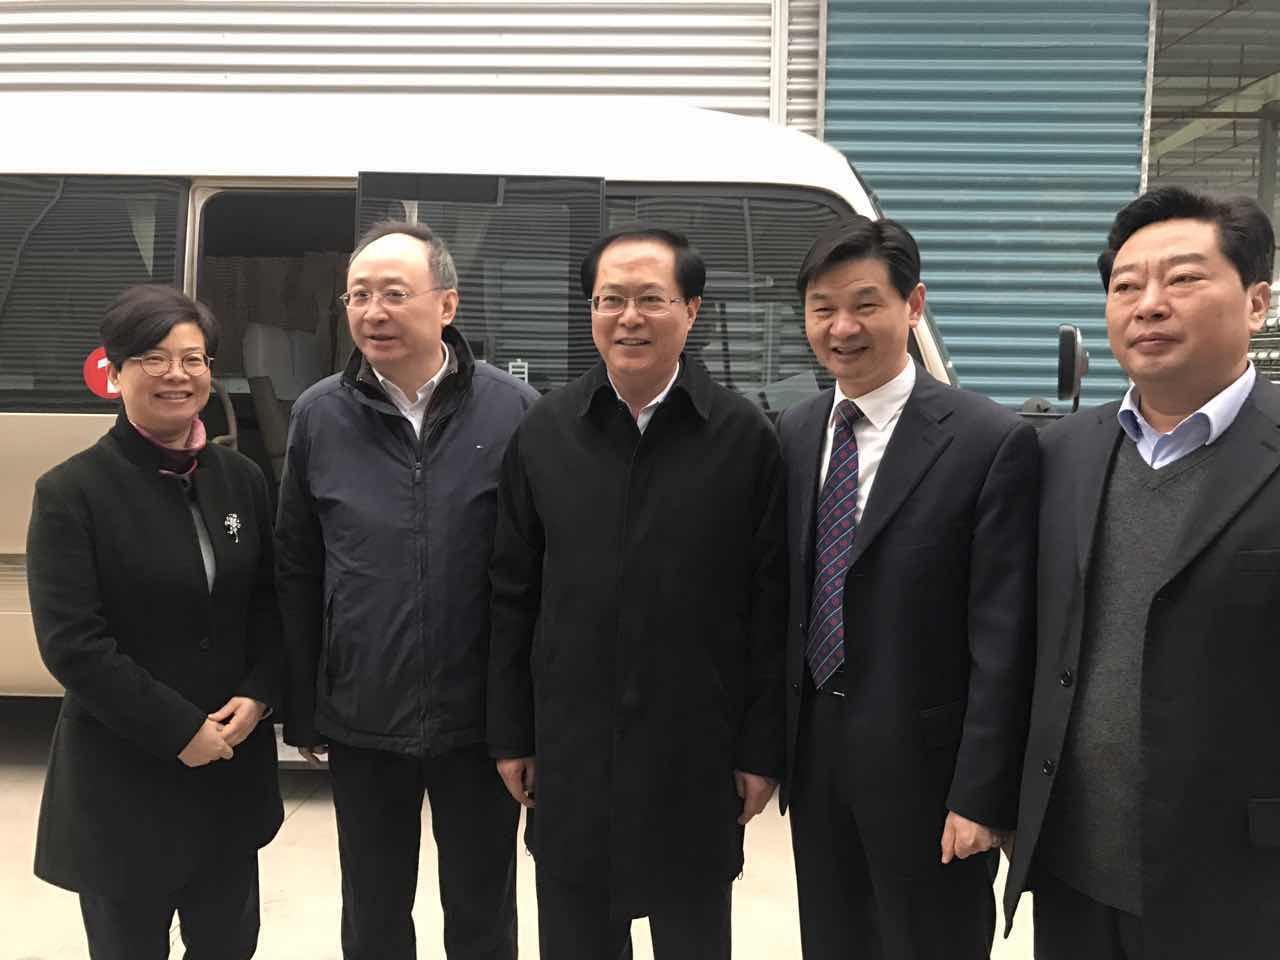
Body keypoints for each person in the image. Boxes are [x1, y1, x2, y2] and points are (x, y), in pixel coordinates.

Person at [487, 225, 787, 959]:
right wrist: (513, 734)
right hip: (572, 755)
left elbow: (771, 607)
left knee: (693, 938)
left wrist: (761, 750)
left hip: (694, 755)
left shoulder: (744, 437)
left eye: (651, 299)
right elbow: (512, 593)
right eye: (609, 300)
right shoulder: (545, 432)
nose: (629, 318)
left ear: (692, 310)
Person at [1005, 186, 1279, 959]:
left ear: (1256, 303)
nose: (1149, 304)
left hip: (1242, 884)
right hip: (1076, 874)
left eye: (1184, 278)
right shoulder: (1061, 453)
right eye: (1126, 286)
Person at [776, 216, 1038, 959]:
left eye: (866, 304)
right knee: (833, 941)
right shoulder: (795, 431)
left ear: (913, 304)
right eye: (823, 308)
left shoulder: (987, 440)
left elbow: (1005, 637)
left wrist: (983, 793)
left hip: (931, 772)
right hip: (817, 758)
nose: (842, 327)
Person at [275, 220, 536, 960]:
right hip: (364, 712)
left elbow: (539, 571)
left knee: (482, 908)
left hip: (479, 718)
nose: (373, 312)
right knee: (373, 907)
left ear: (446, 305)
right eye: (358, 296)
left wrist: (526, 713)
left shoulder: (515, 410)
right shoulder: (319, 414)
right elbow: (298, 564)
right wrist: (305, 702)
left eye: (394, 293)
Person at [26, 284, 282, 960]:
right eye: (153, 358)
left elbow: (268, 602)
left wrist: (259, 694)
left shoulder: (241, 480)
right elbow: (73, 644)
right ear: (115, 371)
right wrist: (178, 730)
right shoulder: (72, 493)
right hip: (123, 784)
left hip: (228, 778)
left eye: (193, 359)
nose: (177, 375)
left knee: (228, 946)